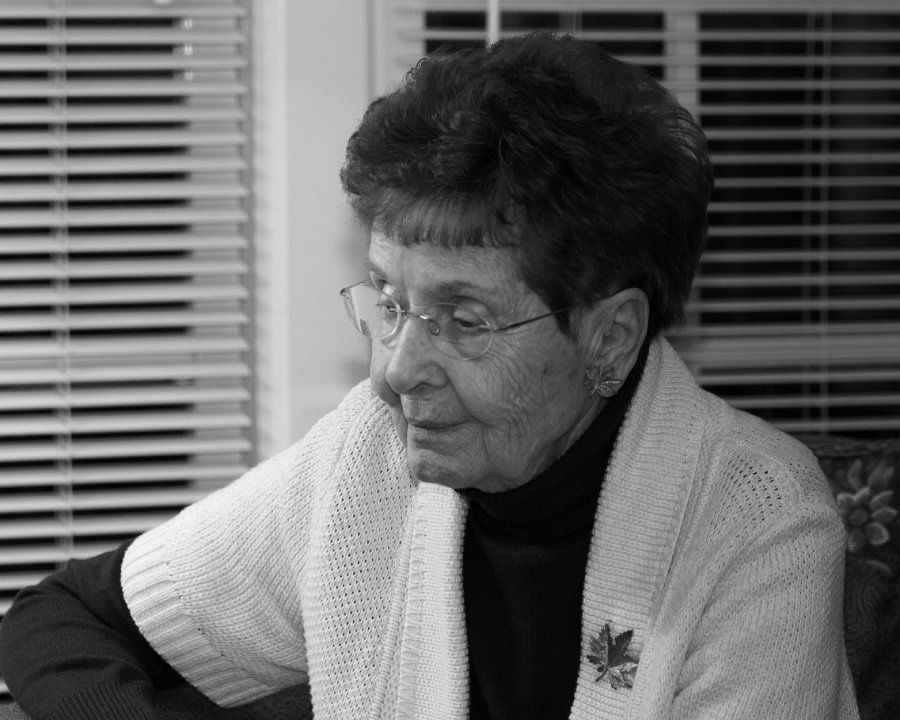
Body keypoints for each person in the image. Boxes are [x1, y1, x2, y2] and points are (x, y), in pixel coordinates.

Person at [0, 33, 858, 720]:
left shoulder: (756, 521)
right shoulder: (367, 459)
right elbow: (62, 616)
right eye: (390, 300)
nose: (397, 370)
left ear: (610, 336)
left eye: (465, 319)